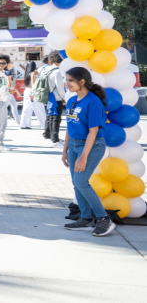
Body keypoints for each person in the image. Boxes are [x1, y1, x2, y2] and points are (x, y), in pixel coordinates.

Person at [62, 67, 115, 236]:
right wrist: (65, 151)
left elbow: (93, 131)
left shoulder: (93, 102)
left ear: (82, 82)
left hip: (92, 146)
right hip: (73, 145)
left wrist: (83, 156)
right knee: (77, 183)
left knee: (81, 182)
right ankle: (86, 219)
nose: (67, 83)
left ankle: (104, 219)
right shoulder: (72, 100)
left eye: (70, 80)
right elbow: (69, 127)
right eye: (67, 80)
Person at [42, 51, 65, 148]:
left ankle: (48, 136)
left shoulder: (46, 70)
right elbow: (60, 88)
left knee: (50, 117)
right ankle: (55, 140)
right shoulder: (57, 72)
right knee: (56, 119)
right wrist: (65, 97)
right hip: (56, 98)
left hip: (48, 97)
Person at [19, 61, 47, 129]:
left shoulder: (27, 73)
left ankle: (24, 124)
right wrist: (34, 93)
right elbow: (33, 84)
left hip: (26, 91)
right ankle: (44, 124)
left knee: (26, 108)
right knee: (39, 108)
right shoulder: (33, 73)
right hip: (32, 91)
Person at [5, 61, 21, 125]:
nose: (12, 64)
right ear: (7, 64)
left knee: (14, 105)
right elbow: (10, 84)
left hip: (9, 91)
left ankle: (19, 121)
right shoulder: (7, 72)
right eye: (11, 63)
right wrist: (17, 91)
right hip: (8, 91)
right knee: (5, 106)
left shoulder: (8, 71)